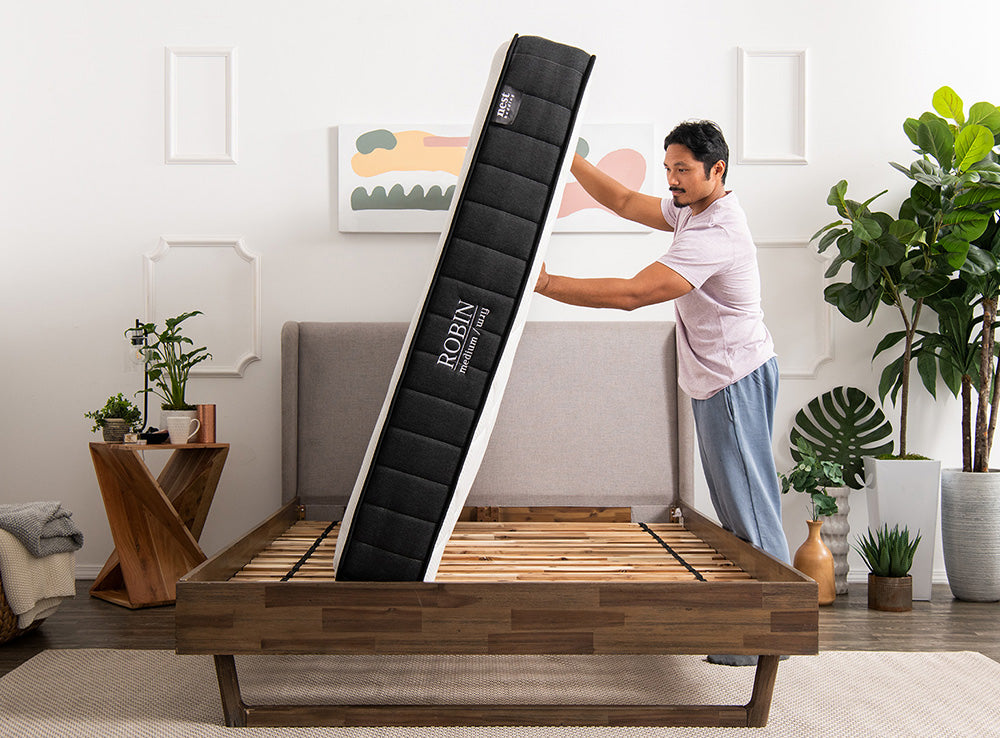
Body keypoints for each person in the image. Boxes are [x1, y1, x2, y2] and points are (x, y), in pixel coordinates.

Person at [535, 120, 790, 570]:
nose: (672, 179)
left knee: (752, 515)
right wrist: (567, 155)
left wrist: (546, 282)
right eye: (668, 168)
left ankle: (774, 633)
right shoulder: (694, 208)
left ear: (717, 170)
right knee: (737, 513)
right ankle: (749, 634)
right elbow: (625, 201)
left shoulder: (716, 233)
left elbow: (633, 295)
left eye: (683, 169)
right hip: (720, 379)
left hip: (734, 378)